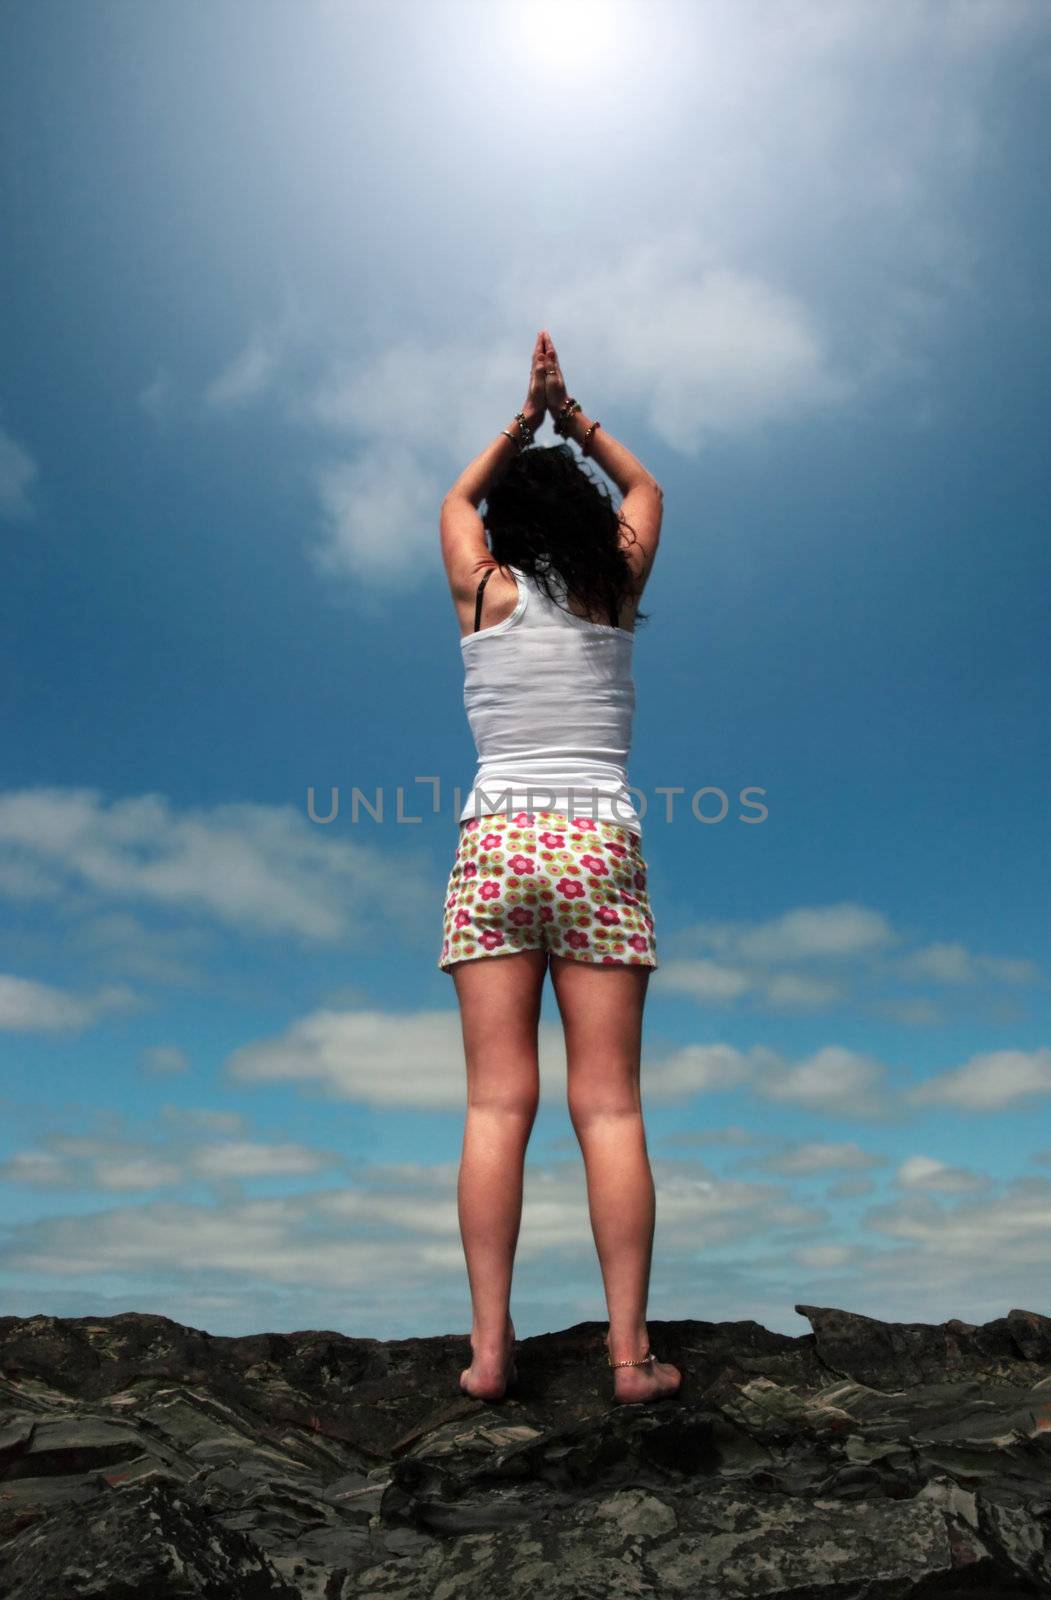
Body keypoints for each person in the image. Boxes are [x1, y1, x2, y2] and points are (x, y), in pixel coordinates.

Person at [438, 330, 683, 1408]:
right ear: (584, 524)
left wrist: (518, 419)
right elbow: (644, 482)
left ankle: (490, 1356)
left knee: (496, 1106)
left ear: (505, 526)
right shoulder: (612, 592)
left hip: (495, 843)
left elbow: (453, 498)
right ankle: (628, 1361)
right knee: (610, 1110)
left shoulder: (482, 594)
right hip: (595, 844)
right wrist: (572, 413)